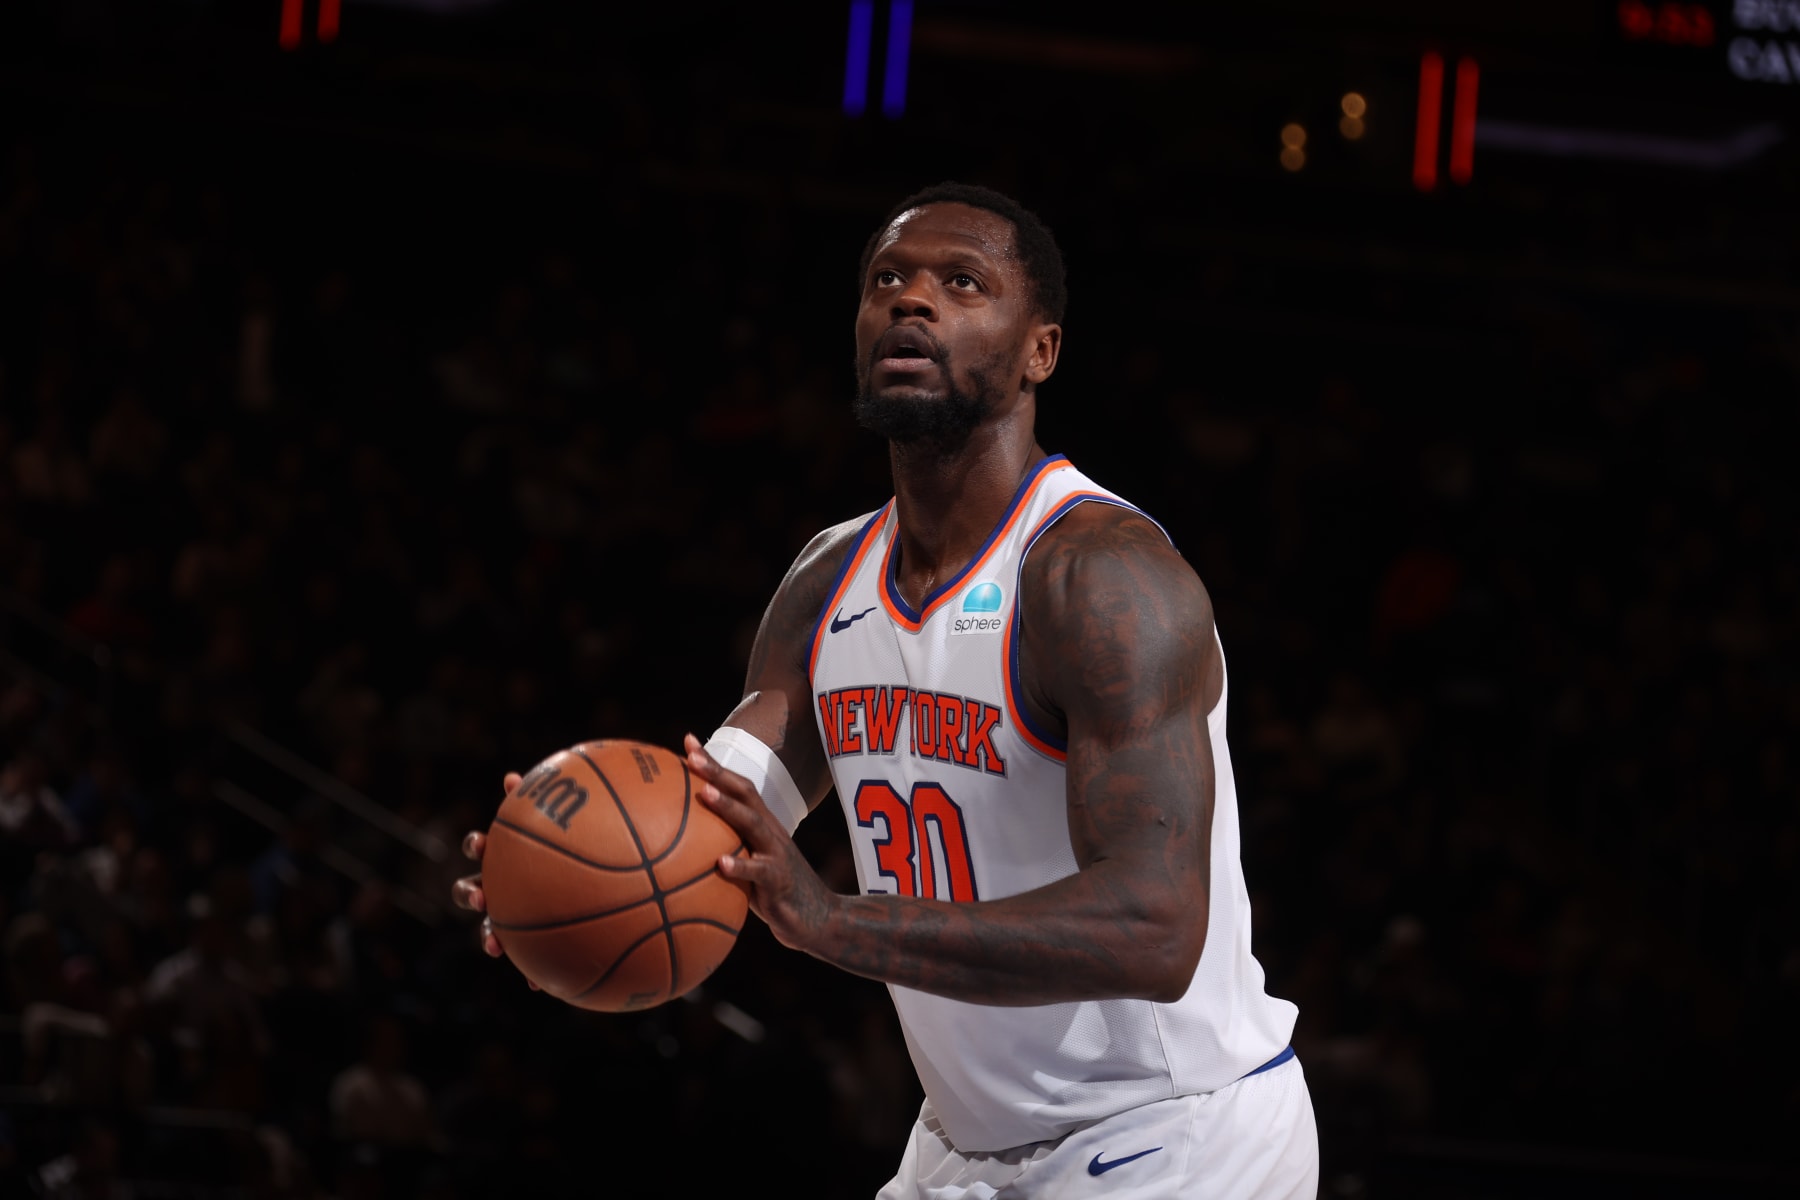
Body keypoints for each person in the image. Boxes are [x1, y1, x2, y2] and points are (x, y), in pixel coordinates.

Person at [452, 182, 1318, 1198]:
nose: (913, 301)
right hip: (961, 1144)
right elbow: (719, 819)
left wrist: (830, 920)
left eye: (962, 283)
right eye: (887, 280)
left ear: (1040, 350)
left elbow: (1156, 927)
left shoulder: (1099, 577)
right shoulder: (828, 581)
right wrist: (556, 870)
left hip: (1175, 1134)